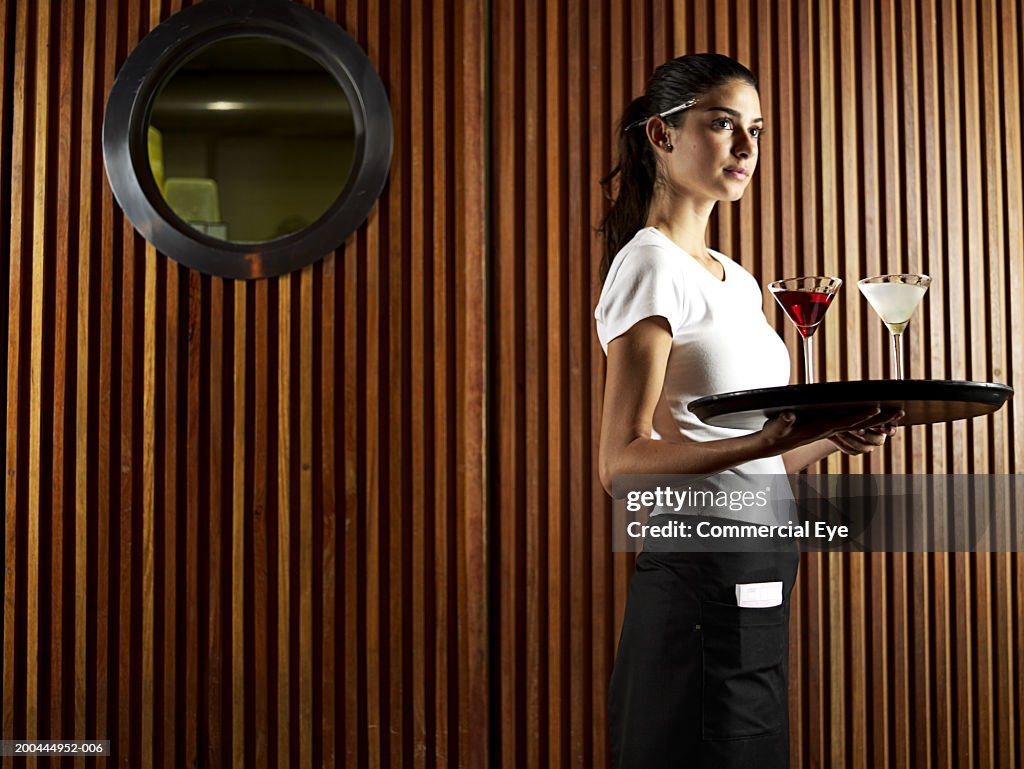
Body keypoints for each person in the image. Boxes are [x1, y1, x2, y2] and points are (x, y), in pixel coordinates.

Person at [594, 53, 901, 769]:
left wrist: (825, 435)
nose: (746, 149)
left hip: (762, 567)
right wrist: (762, 440)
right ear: (661, 137)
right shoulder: (648, 263)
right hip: (697, 579)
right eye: (723, 125)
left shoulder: (737, 280)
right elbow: (621, 465)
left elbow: (754, 457)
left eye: (756, 130)